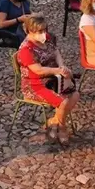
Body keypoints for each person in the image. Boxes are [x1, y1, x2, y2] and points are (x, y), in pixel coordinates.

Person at [17, 16, 80, 144]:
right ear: (29, 31)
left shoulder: (47, 39)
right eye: (40, 31)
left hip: (54, 79)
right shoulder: (26, 50)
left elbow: (56, 52)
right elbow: (38, 70)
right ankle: (62, 127)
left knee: (75, 95)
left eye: (44, 30)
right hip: (35, 85)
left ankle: (53, 121)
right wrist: (57, 70)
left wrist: (61, 66)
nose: (44, 34)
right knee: (63, 101)